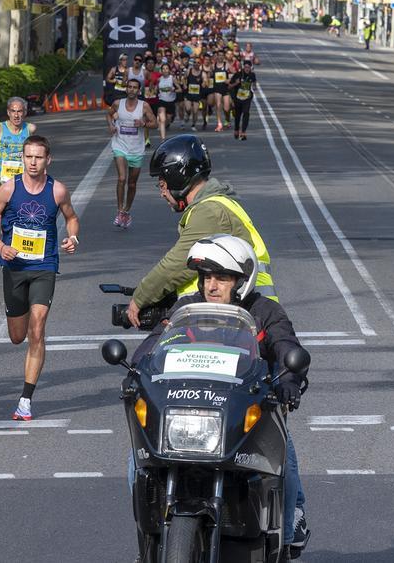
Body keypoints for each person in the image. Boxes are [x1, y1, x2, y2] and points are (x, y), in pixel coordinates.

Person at [129, 234, 310, 557]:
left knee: (284, 460)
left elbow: (288, 349)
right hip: (185, 411)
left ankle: (287, 529)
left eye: (222, 278)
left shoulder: (266, 312)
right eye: (206, 277)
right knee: (137, 459)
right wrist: (136, 372)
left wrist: (289, 382)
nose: (212, 286)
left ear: (242, 280)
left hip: (245, 410)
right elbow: (153, 345)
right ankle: (147, 537)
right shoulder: (186, 309)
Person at [125, 135, 276, 329]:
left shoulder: (209, 211)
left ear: (176, 176)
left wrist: (140, 298)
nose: (162, 193)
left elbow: (176, 265)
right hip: (237, 309)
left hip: (244, 313)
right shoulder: (218, 203)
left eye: (162, 185)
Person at [0, 136, 80, 421]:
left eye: (38, 157)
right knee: (17, 336)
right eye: (28, 157)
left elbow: (71, 217)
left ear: (48, 159)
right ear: (22, 158)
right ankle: (25, 390)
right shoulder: (9, 189)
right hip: (15, 268)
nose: (33, 162)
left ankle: (25, 399)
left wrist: (72, 236)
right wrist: (0, 247)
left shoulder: (57, 190)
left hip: (44, 267)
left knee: (37, 329)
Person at [108, 79, 156, 229]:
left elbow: (154, 123)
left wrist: (143, 124)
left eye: (135, 88)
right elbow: (109, 114)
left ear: (139, 90)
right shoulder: (118, 103)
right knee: (122, 178)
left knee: (132, 183)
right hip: (120, 145)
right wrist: (111, 125)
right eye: (129, 87)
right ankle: (119, 210)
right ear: (126, 88)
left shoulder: (144, 106)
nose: (132, 90)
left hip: (136, 148)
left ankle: (127, 211)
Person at [0, 97, 36, 184]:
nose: (16, 115)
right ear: (8, 112)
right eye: (13, 111)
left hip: (22, 177)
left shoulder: (30, 128)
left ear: (25, 112)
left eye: (19, 111)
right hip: (1, 178)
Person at [228, 60, 258, 141]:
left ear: (250, 67)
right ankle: (236, 130)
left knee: (246, 113)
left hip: (247, 98)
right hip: (237, 98)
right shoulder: (237, 74)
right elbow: (229, 86)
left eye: (248, 67)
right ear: (243, 67)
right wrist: (236, 83)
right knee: (238, 115)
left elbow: (254, 84)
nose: (247, 69)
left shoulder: (252, 75)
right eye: (245, 67)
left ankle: (243, 132)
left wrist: (254, 87)